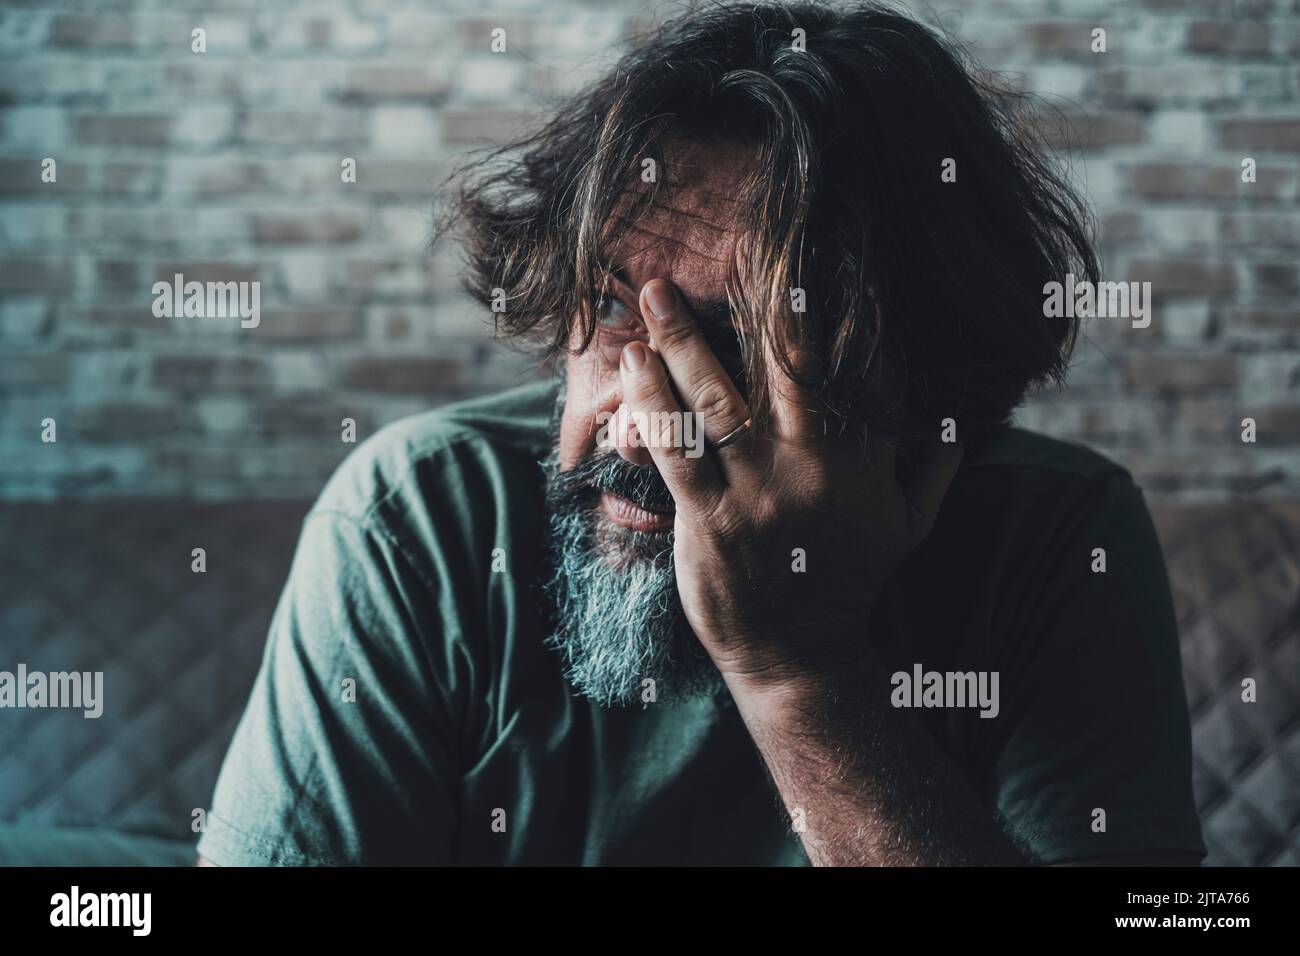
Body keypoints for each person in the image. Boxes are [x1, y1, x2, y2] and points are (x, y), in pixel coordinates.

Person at [198, 1, 1205, 866]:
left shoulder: (1065, 537)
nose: (639, 430)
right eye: (607, 309)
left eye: (725, 352)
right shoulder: (412, 517)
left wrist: (798, 666)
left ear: (913, 380)